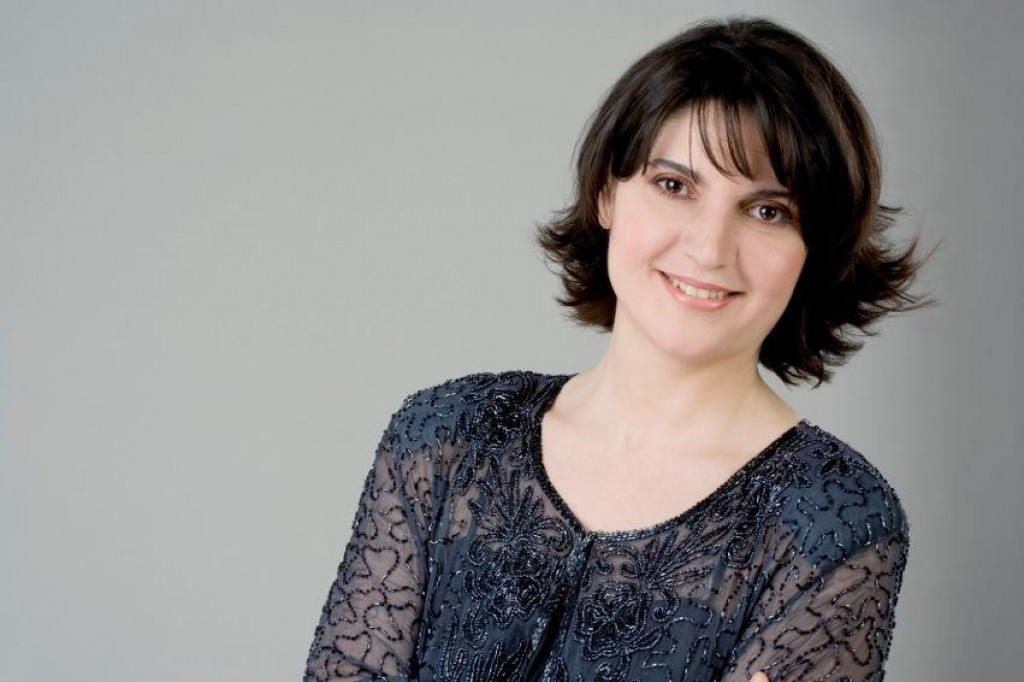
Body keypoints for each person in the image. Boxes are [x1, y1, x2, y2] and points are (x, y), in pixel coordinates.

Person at [302, 15, 936, 682]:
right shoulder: (444, 439)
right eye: (675, 186)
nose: (708, 248)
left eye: (767, 211)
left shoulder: (833, 523)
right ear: (607, 193)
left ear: (816, 250)